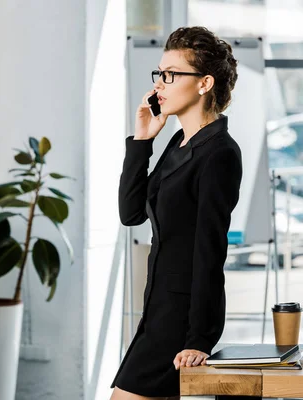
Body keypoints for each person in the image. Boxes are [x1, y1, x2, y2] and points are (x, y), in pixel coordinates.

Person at [110, 26, 243, 399]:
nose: (160, 85)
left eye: (171, 75)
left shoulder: (219, 152)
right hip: (157, 308)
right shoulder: (178, 142)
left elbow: (210, 249)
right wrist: (141, 141)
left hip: (180, 318)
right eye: (160, 74)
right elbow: (131, 213)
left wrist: (199, 338)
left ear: (204, 84)